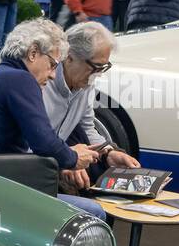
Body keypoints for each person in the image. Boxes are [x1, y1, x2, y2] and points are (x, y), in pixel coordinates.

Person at [0, 20, 100, 216]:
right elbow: (44, 142)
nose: (52, 75)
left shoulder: (3, 75)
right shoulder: (20, 80)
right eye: (52, 65)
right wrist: (73, 158)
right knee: (93, 212)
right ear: (33, 53)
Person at [43, 22, 140, 215]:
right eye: (95, 67)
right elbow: (31, 143)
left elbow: (87, 127)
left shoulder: (84, 84)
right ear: (69, 57)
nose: (96, 76)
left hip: (54, 162)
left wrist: (109, 152)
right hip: (35, 172)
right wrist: (65, 160)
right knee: (94, 212)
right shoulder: (42, 84)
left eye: (104, 67)